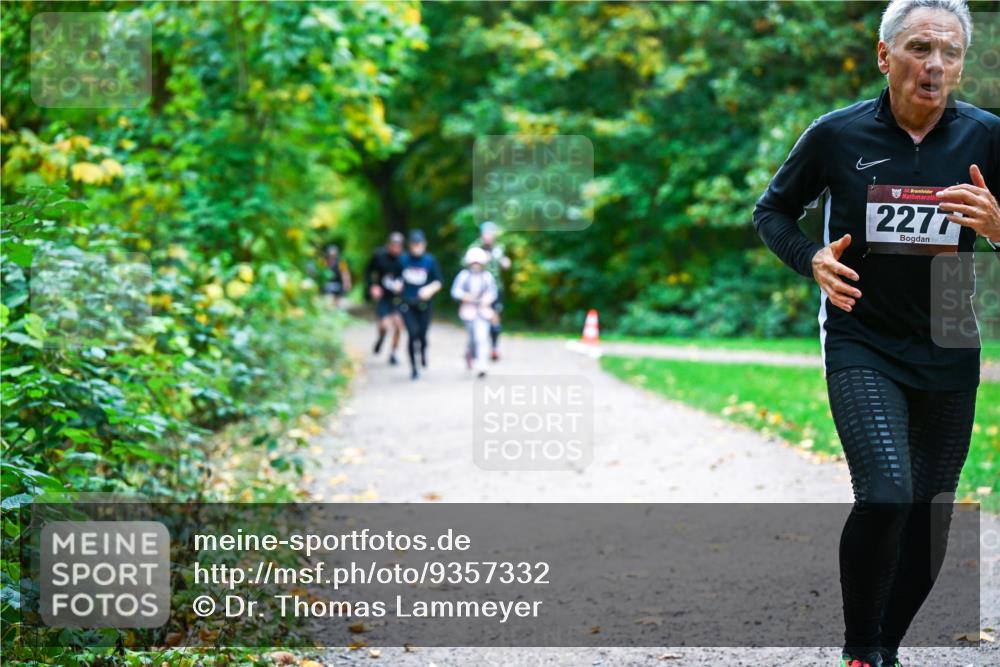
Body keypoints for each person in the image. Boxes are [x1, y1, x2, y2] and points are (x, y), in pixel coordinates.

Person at [753, 2, 1000, 665]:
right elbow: (772, 210)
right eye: (920, 48)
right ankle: (861, 649)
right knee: (887, 493)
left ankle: (880, 650)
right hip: (863, 333)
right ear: (885, 56)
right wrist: (811, 258)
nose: (936, 64)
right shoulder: (837, 135)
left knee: (929, 518)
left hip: (949, 331)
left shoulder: (986, 136)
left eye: (949, 52)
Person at [398, 230, 443, 380]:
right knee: (412, 334)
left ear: (424, 244)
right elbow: (394, 278)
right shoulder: (403, 260)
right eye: (414, 244)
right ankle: (414, 368)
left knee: (422, 335)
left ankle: (423, 352)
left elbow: (439, 281)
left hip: (424, 305)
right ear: (409, 245)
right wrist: (396, 285)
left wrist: (429, 289)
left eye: (420, 244)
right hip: (407, 304)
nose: (417, 247)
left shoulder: (430, 261)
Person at [451, 247, 499, 378]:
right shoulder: (464, 276)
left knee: (482, 337)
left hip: (483, 311)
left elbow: (493, 293)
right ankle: (469, 354)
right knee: (472, 338)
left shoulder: (487, 277)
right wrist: (466, 296)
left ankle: (482, 365)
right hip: (468, 311)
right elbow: (455, 291)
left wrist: (486, 300)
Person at [468, 221, 511, 361]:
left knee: (495, 318)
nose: (488, 236)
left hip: (495, 289)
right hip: (478, 289)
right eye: (486, 233)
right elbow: (465, 263)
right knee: (475, 320)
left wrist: (504, 261)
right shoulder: (475, 247)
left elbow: (505, 265)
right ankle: (473, 349)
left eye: (491, 233)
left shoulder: (499, 248)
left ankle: (493, 348)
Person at [364, 232, 405, 365]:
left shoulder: (404, 259)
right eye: (394, 245)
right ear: (388, 245)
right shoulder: (379, 256)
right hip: (384, 297)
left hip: (398, 298)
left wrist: (404, 287)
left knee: (399, 326)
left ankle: (393, 353)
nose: (396, 249)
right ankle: (381, 338)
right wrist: (373, 286)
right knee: (384, 326)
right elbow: (368, 271)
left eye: (399, 246)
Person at [320, 244, 352, 309]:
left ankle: (336, 308)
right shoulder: (323, 262)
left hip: (337, 284)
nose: (332, 256)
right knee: (326, 299)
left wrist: (347, 283)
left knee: (337, 300)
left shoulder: (341, 263)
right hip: (326, 284)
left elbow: (345, 273)